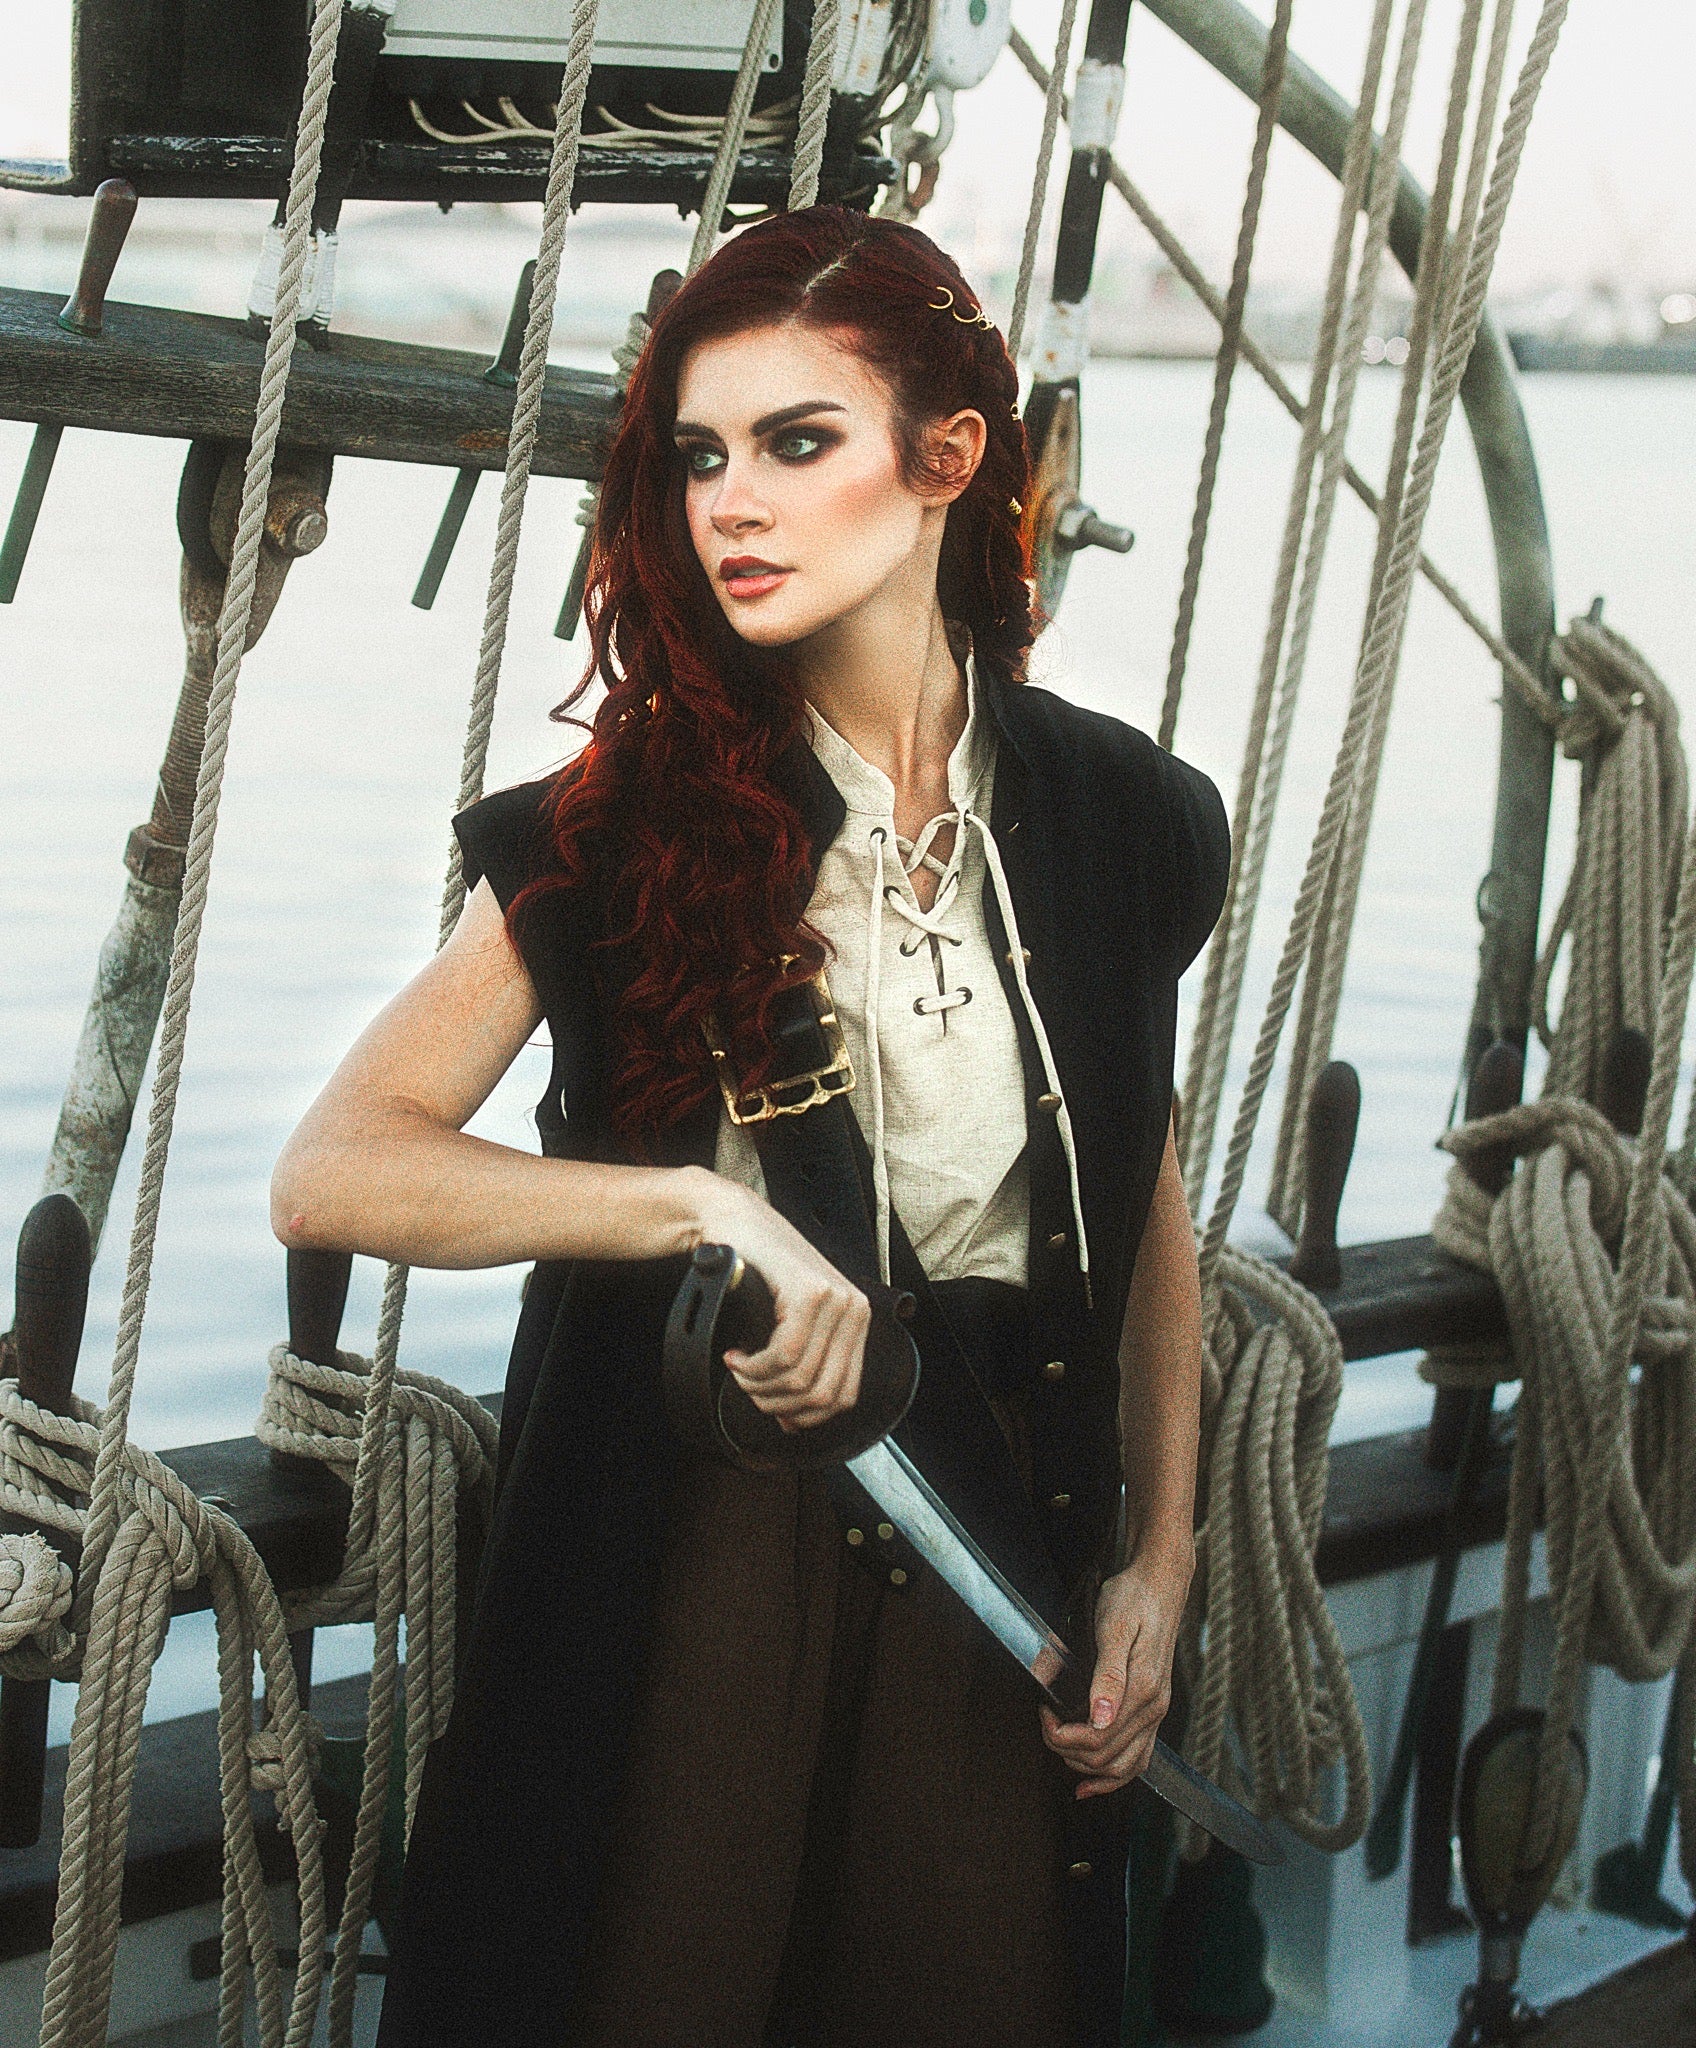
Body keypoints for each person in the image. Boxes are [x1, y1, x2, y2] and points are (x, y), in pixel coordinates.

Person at [272, 206, 1228, 2048]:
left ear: (948, 459)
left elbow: (1146, 1210)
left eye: (797, 442)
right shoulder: (620, 823)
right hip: (697, 1543)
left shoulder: (1122, 816)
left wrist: (1161, 1561)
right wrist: (704, 1218)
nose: (733, 504)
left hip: (995, 1528)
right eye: (702, 457)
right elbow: (337, 1169)